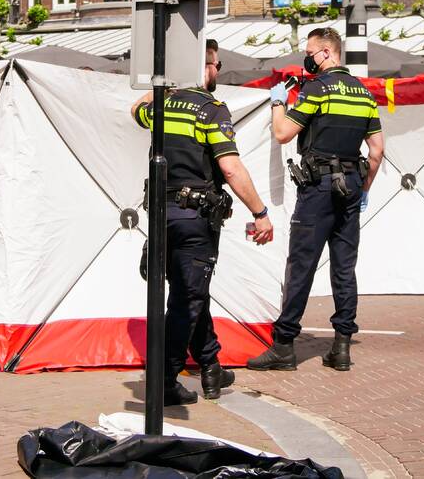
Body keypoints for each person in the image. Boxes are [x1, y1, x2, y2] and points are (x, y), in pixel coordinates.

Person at [131, 39, 274, 405]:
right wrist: (260, 213)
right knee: (187, 299)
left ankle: (210, 366)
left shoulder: (161, 106)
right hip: (195, 219)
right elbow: (230, 166)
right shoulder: (211, 110)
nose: (217, 71)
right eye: (214, 64)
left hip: (163, 218)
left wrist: (163, 86)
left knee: (191, 292)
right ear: (203, 67)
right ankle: (164, 382)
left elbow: (135, 109)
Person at [246, 28, 384, 373]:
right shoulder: (364, 94)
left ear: (326, 52)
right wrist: (363, 190)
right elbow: (377, 151)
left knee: (301, 266)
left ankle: (283, 346)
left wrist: (279, 102)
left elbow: (282, 134)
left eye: (310, 52)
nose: (307, 58)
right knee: (343, 267)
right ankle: (341, 348)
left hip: (318, 186)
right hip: (351, 185)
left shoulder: (316, 89)